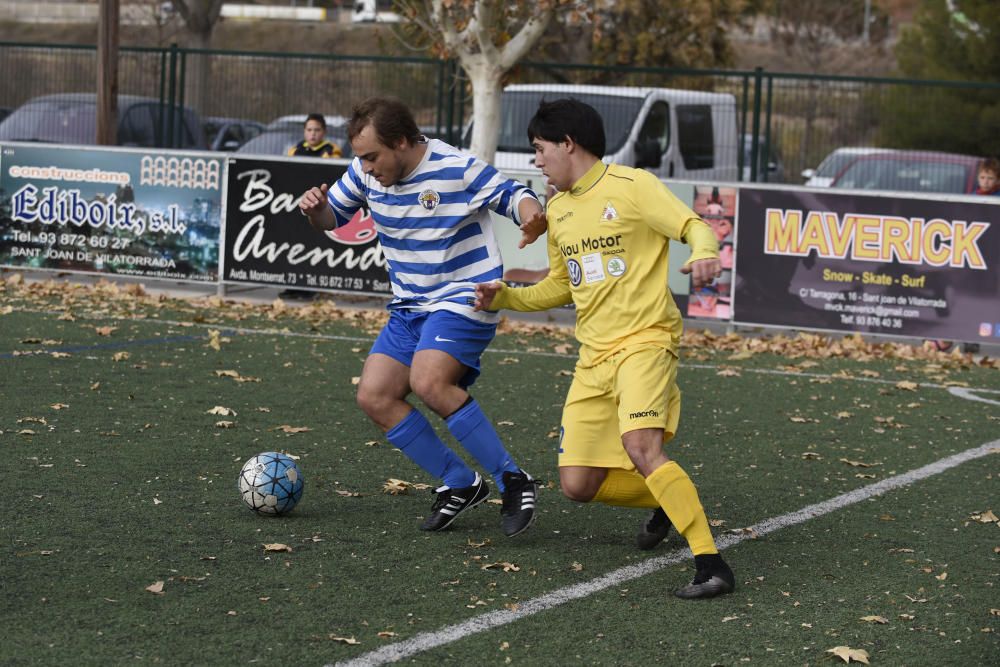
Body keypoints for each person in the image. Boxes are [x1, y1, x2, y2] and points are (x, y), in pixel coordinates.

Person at [474, 98, 736, 599]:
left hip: (645, 342)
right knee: (577, 485)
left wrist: (705, 255)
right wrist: (505, 296)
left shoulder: (633, 186)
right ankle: (666, 496)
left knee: (642, 448)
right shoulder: (560, 209)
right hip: (592, 359)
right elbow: (561, 287)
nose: (536, 160)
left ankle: (711, 565)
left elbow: (695, 227)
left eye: (539, 148)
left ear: (567, 143)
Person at [298, 97, 547, 537]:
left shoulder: (455, 166)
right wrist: (315, 208)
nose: (367, 167)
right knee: (374, 396)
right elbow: (332, 216)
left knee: (429, 382)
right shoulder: (364, 171)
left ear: (401, 142)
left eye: (373, 156)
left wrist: (531, 217)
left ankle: (513, 479)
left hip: (465, 297)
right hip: (409, 306)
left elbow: (515, 195)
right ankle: (459, 482)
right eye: (362, 159)